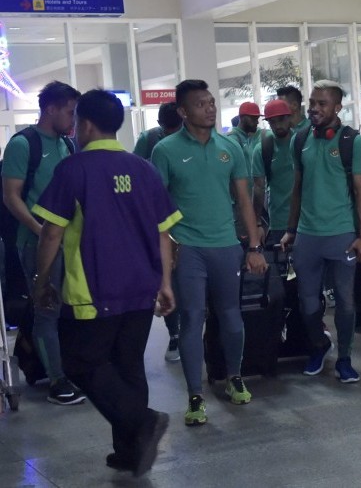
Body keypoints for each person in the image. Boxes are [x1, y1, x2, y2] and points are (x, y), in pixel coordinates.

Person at [31, 89, 180, 477]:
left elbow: (51, 234)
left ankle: (142, 422)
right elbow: (164, 234)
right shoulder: (143, 168)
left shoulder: (74, 169)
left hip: (93, 290)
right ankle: (131, 452)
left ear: (86, 124)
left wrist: (42, 279)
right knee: (128, 367)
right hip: (141, 287)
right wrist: (165, 283)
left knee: (80, 363)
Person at [151, 79, 267, 426]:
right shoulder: (166, 150)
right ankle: (195, 395)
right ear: (183, 112)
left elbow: (244, 199)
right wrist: (166, 249)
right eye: (201, 104)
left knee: (231, 317)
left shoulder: (229, 148)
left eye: (212, 102)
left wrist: (254, 246)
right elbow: (157, 206)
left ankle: (233, 377)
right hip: (187, 248)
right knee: (192, 320)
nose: (210, 108)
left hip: (226, 246)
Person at [1, 80, 86, 405]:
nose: (73, 119)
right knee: (47, 308)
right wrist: (40, 231)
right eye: (69, 112)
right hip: (36, 243)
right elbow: (11, 197)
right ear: (50, 108)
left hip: (70, 241)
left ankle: (68, 368)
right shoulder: (24, 144)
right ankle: (57, 380)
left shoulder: (67, 145)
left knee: (71, 307)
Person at [280, 80, 361, 382]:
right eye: (312, 103)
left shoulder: (352, 142)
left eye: (322, 104)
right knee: (307, 303)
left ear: (337, 107)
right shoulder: (300, 138)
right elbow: (297, 188)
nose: (315, 108)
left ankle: (344, 358)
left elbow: (360, 192)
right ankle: (320, 344)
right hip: (307, 235)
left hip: (343, 234)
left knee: (345, 302)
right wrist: (291, 229)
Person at [133, 101, 183, 363]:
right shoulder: (149, 140)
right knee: (168, 278)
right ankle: (173, 335)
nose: (173, 134)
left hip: (188, 219)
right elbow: (135, 174)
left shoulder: (190, 137)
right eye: (168, 129)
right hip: (162, 221)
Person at [252, 99, 294, 244]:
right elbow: (258, 188)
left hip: (308, 221)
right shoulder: (262, 149)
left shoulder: (303, 143)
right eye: (272, 122)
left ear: (289, 117)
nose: (277, 125)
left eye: (281, 119)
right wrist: (257, 224)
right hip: (279, 222)